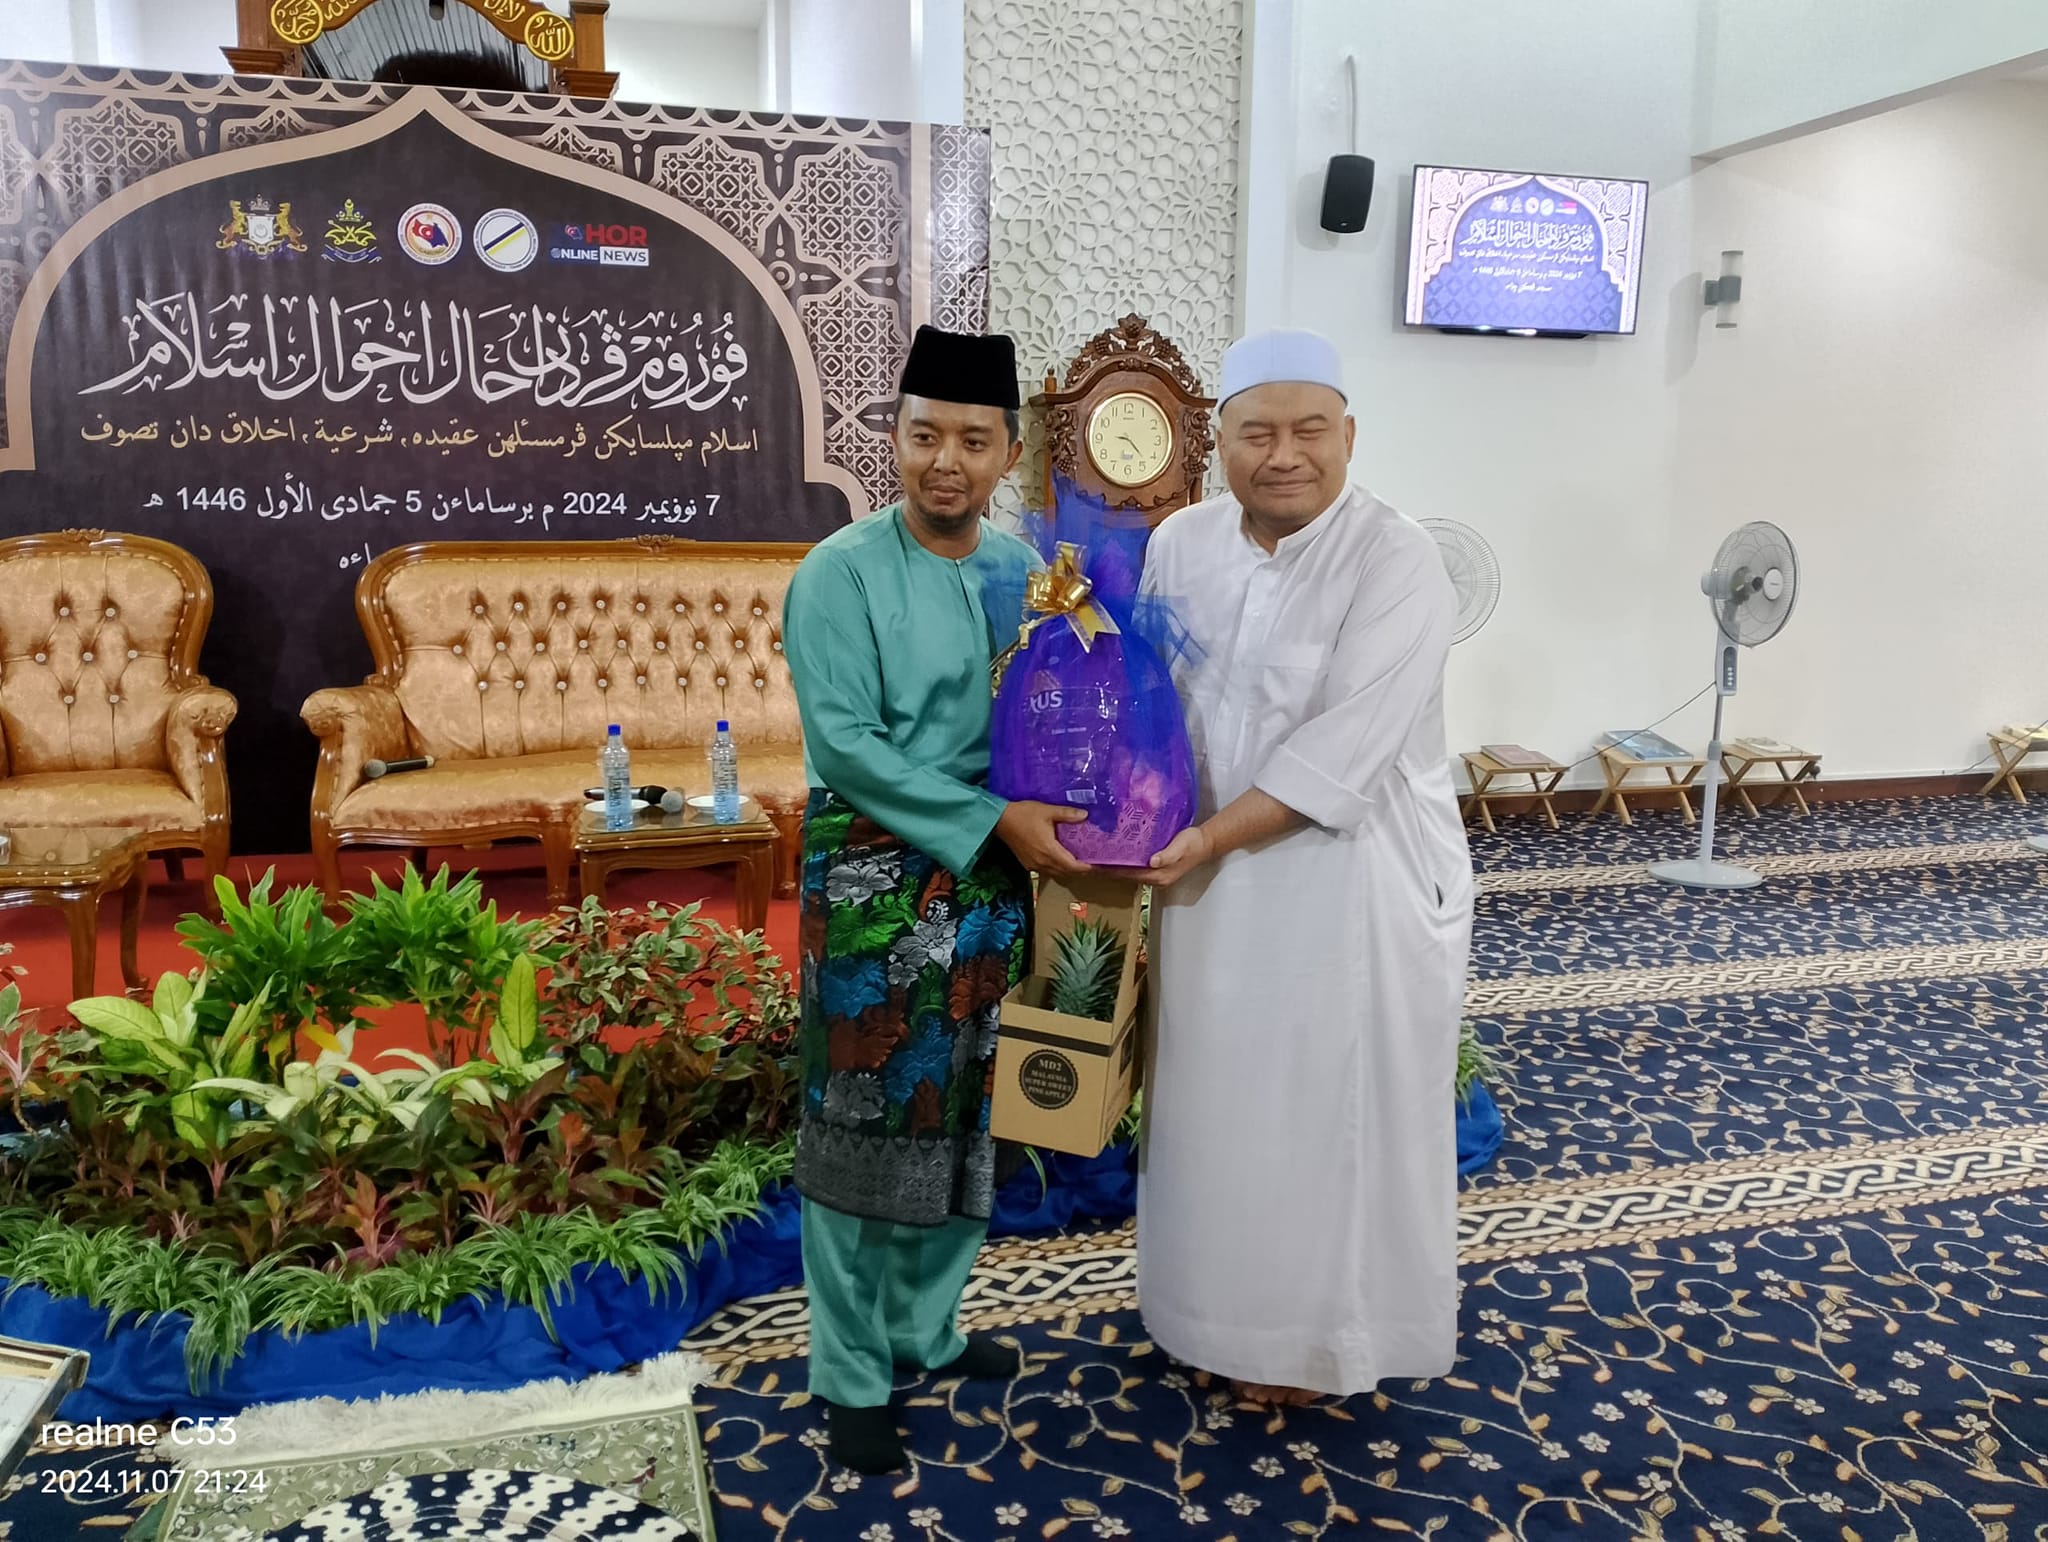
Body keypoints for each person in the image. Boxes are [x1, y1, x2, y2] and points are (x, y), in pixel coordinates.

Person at [1134, 327, 1473, 1405]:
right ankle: (1208, 1317)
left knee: (1327, 1117)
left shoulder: (1395, 558)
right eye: (1257, 434)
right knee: (1213, 1107)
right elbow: (1147, 699)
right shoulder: (1179, 543)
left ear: (1349, 437)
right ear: (1217, 442)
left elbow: (1341, 754)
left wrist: (1202, 839)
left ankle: (1321, 1347)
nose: (1284, 456)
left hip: (1349, 886)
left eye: (1309, 431)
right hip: (1203, 886)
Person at [782, 325, 1087, 1473]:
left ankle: (926, 1329)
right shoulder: (838, 573)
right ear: (895, 439)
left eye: (970, 440)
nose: (943, 462)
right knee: (862, 1122)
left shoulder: (1027, 577)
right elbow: (846, 747)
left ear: (1006, 450)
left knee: (970, 1107)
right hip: (874, 874)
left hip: (999, 873)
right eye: (923, 437)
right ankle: (851, 1370)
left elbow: (1065, 712)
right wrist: (993, 821)